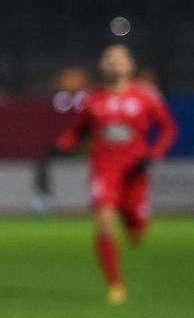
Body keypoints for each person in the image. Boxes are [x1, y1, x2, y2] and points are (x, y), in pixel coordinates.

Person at [54, 43, 177, 304]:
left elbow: (168, 129)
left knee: (137, 233)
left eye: (120, 60)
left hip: (135, 170)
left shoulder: (145, 96)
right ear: (103, 66)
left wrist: (152, 156)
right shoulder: (92, 100)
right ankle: (115, 285)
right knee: (104, 221)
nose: (114, 64)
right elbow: (78, 131)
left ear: (130, 66)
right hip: (104, 169)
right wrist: (63, 143)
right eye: (109, 60)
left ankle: (134, 221)